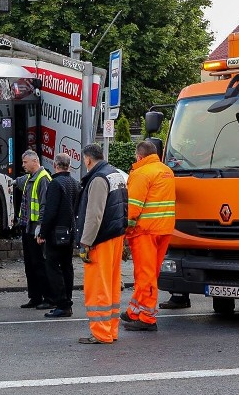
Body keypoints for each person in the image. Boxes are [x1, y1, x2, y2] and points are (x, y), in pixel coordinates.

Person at [120, 140, 176, 332]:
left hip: (145, 231)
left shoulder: (141, 173)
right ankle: (134, 311)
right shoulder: (167, 171)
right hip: (164, 229)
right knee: (149, 273)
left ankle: (147, 317)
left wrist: (125, 232)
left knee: (145, 275)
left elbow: (132, 208)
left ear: (139, 157)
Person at [75, 143, 128, 344]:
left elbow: (94, 215)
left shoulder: (97, 178)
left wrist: (85, 242)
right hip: (115, 236)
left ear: (88, 159)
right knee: (112, 284)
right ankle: (111, 330)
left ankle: (100, 332)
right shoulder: (114, 174)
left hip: (101, 238)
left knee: (98, 286)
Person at [37, 152, 81, 318]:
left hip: (56, 233)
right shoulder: (75, 183)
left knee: (53, 268)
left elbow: (50, 212)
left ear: (55, 165)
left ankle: (62, 304)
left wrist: (43, 232)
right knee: (67, 267)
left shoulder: (55, 184)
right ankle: (67, 301)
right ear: (69, 165)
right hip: (70, 233)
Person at [14, 150, 52, 310]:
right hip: (28, 227)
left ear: (34, 161)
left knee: (39, 263)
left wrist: (42, 230)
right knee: (30, 264)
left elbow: (44, 206)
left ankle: (47, 297)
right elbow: (17, 181)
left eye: (25, 162)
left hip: (36, 228)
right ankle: (35, 297)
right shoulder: (31, 177)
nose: (23, 165)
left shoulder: (43, 179)